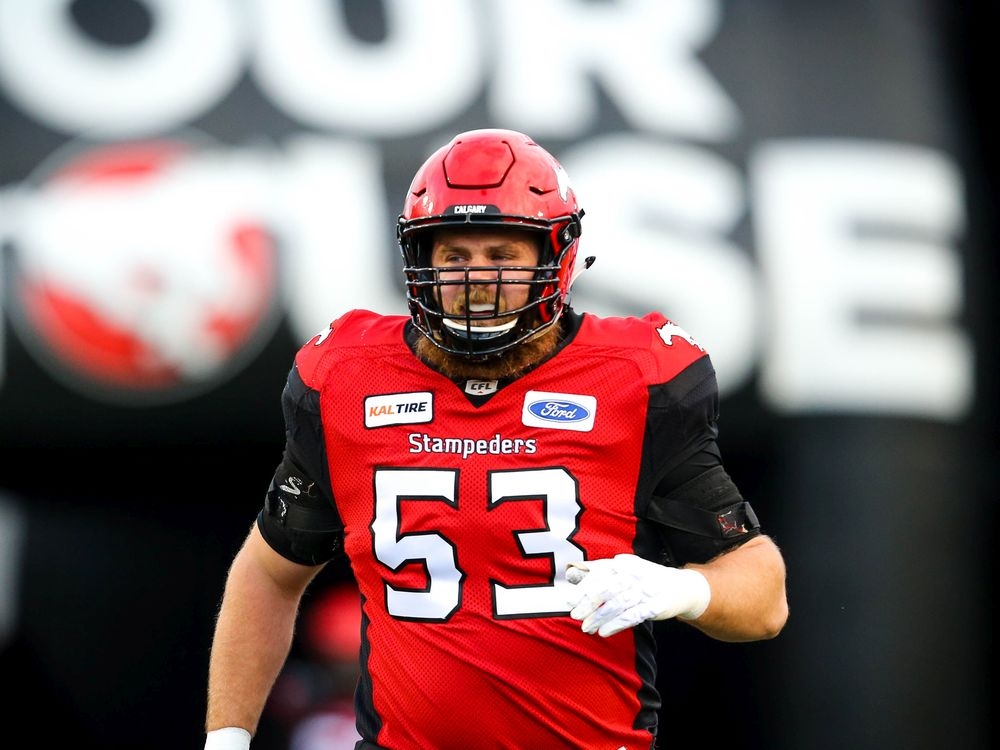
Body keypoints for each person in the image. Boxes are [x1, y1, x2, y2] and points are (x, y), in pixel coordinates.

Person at [204, 128, 788, 750]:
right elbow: (269, 574)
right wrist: (227, 741)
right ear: (417, 258)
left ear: (557, 256)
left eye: (502, 256)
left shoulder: (635, 380)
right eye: (454, 256)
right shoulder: (346, 377)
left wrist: (683, 589)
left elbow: (763, 597)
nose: (477, 280)